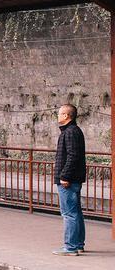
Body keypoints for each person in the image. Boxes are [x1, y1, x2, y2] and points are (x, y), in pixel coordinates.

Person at [52, 104, 86, 256]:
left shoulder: (70, 132)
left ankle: (71, 246)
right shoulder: (74, 131)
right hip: (73, 179)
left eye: (59, 113)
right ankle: (78, 244)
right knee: (76, 212)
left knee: (69, 214)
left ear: (66, 116)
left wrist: (64, 175)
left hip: (68, 180)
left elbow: (73, 156)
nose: (58, 116)